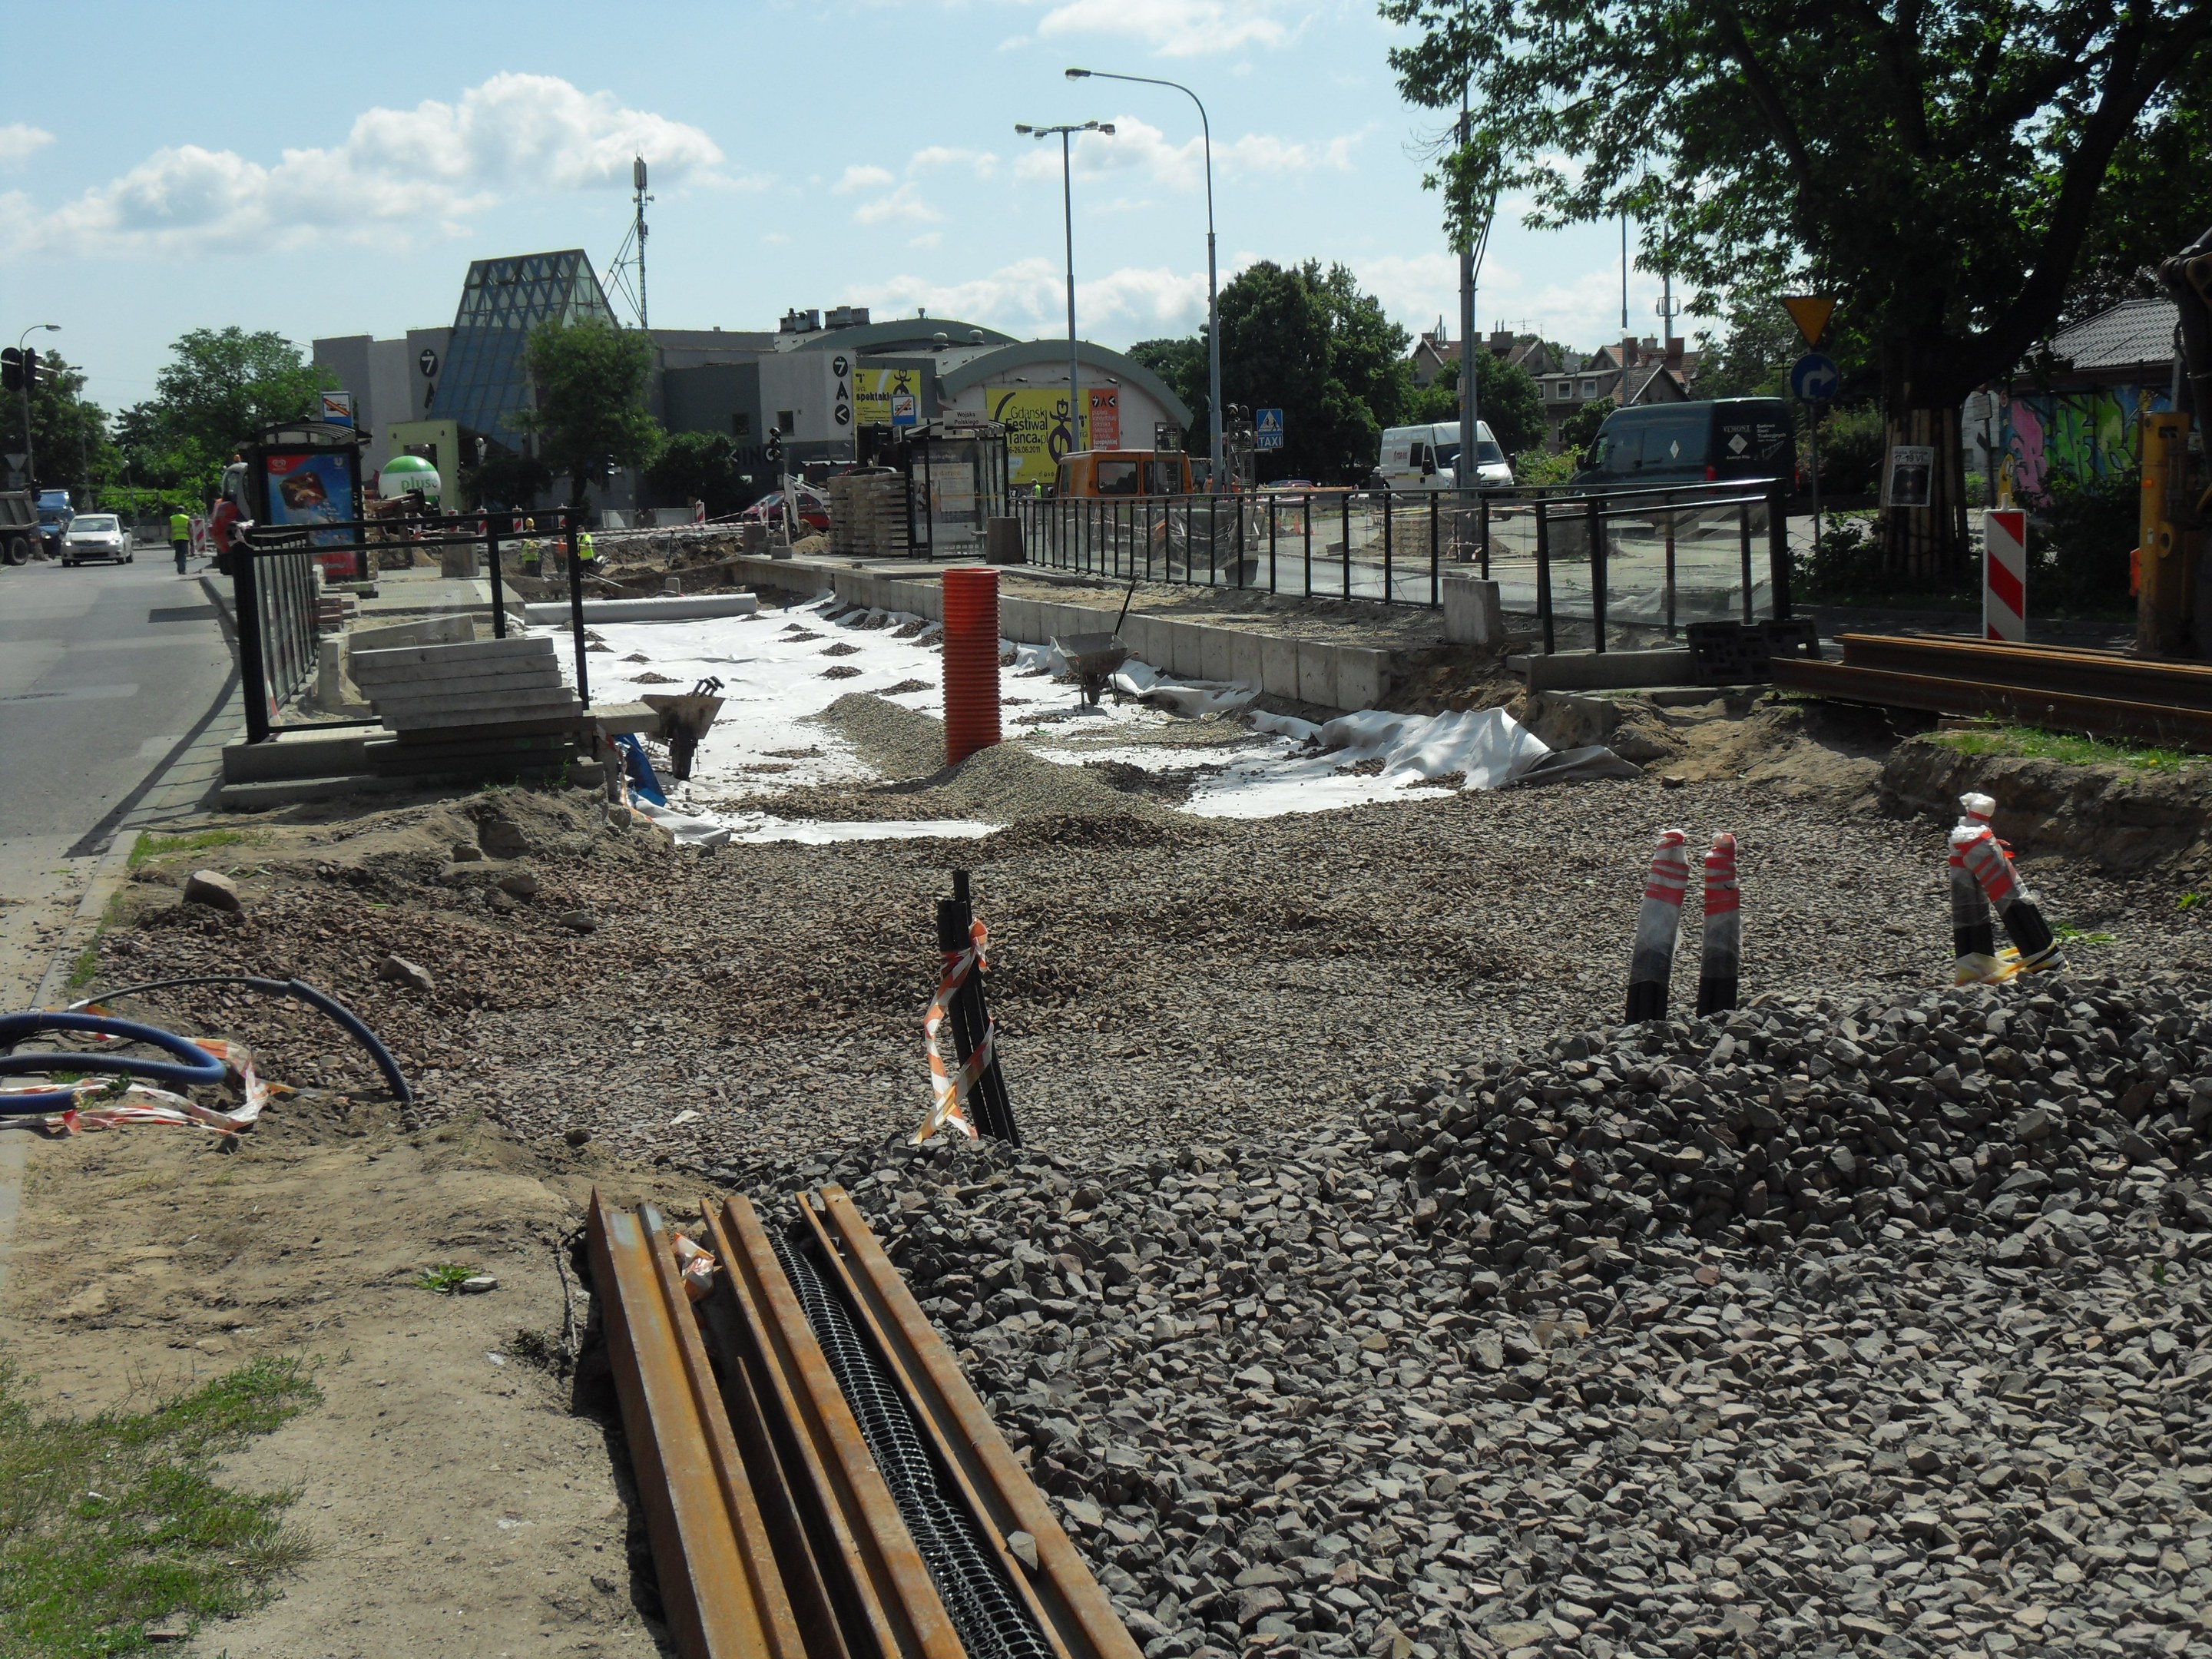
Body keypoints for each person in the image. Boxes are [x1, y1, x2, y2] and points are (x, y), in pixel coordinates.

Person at [168, 507, 191, 575]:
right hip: (184, 538)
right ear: (183, 511)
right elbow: (189, 529)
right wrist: (191, 538)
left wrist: (169, 538)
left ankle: (179, 568)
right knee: (183, 554)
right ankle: (183, 569)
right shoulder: (186, 518)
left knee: (178, 554)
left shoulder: (172, 518)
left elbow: (169, 529)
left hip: (176, 538)